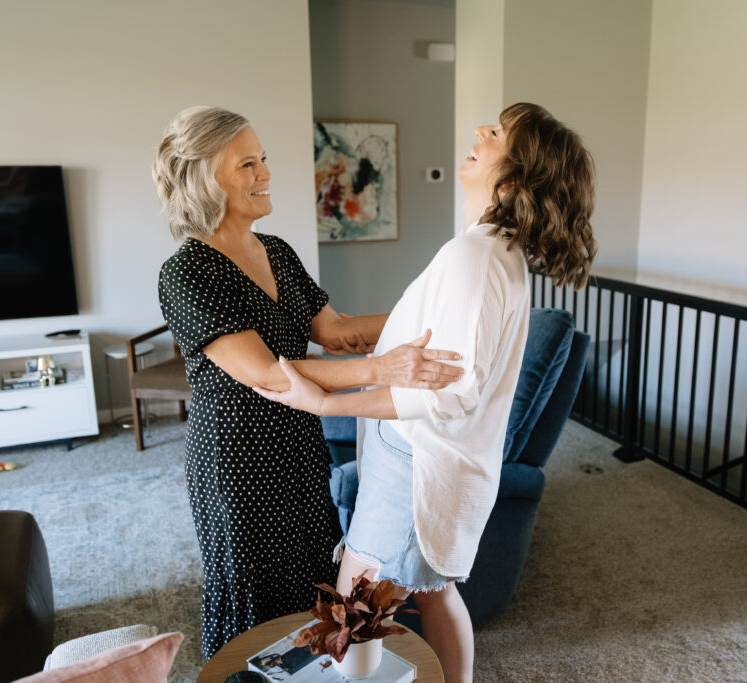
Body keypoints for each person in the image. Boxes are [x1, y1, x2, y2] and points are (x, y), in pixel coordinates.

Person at [255, 102, 597, 683]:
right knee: (436, 596)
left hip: (415, 461)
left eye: (499, 133)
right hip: (426, 457)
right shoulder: (491, 252)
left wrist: (326, 403)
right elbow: (436, 357)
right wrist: (361, 344)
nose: (480, 132)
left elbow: (446, 395)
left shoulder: (477, 256)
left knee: (353, 607)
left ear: (512, 180)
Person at [151, 105, 465, 660]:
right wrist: (381, 369)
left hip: (298, 443)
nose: (266, 173)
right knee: (255, 592)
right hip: (237, 459)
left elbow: (337, 331)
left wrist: (427, 316)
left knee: (311, 585)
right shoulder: (186, 272)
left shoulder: (277, 251)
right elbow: (267, 373)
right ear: (205, 179)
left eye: (263, 159)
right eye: (248, 164)